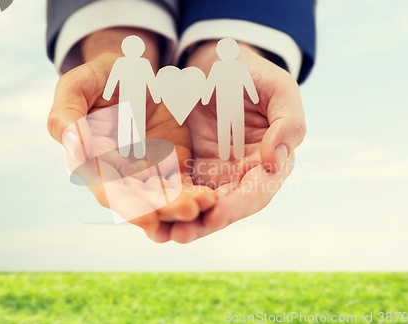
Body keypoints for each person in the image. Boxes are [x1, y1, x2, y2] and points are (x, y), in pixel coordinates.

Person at [46, 0, 316, 243]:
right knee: (130, 130)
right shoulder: (138, 66)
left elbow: (224, 84)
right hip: (133, 104)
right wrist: (112, 47)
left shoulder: (221, 66)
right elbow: (124, 82)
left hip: (227, 105)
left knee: (226, 131)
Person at [102, 35, 161, 159]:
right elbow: (113, 79)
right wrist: (106, 95)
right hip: (127, 99)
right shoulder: (122, 62)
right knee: (127, 124)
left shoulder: (143, 63)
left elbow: (151, 80)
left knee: (136, 124)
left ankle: (137, 151)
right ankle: (125, 150)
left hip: (137, 99)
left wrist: (156, 96)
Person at [202, 38, 259, 161]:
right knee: (225, 127)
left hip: (234, 103)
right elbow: (211, 82)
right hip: (224, 103)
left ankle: (236, 153)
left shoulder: (238, 66)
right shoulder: (219, 66)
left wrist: (254, 98)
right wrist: (205, 97)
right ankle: (225, 154)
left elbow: (248, 83)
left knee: (235, 126)